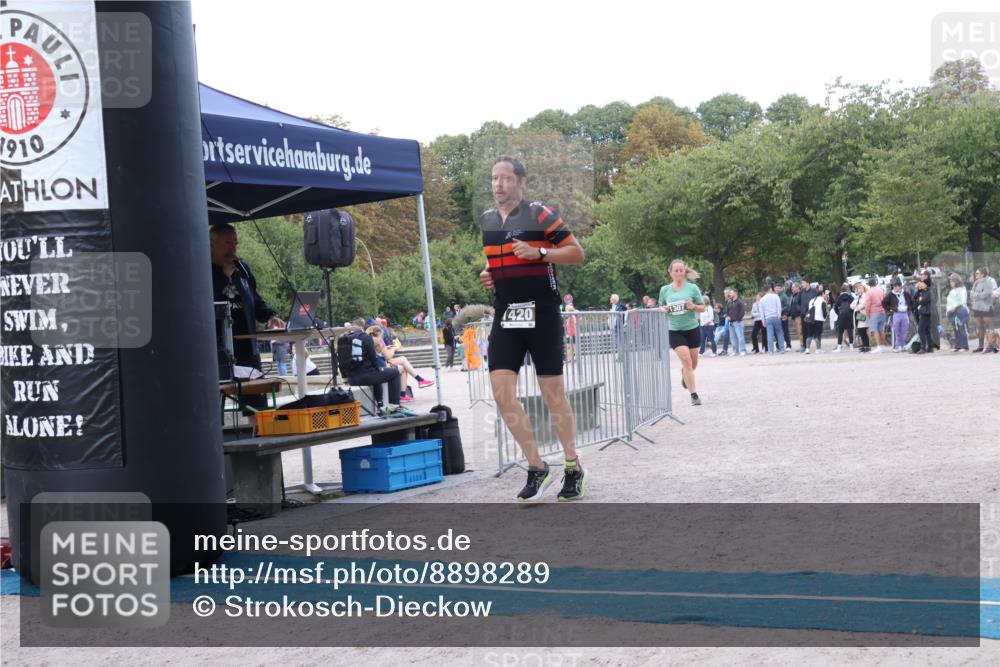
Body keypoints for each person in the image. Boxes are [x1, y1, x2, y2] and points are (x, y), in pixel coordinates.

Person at [478, 156, 587, 502]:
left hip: (542, 313)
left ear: (521, 183)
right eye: (495, 178)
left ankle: (572, 466)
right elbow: (497, 257)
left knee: (553, 394)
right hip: (506, 315)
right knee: (501, 393)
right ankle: (536, 465)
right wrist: (488, 273)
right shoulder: (487, 220)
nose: (499, 185)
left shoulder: (540, 214)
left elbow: (576, 252)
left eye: (506, 179)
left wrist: (540, 252)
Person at [210, 224, 285, 412]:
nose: (233, 248)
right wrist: (224, 279)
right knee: (212, 401)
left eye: (235, 243)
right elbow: (205, 304)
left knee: (257, 402)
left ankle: (259, 435)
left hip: (247, 348)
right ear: (211, 244)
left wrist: (270, 315)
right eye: (227, 243)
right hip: (218, 349)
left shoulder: (242, 269)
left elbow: (255, 300)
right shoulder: (203, 271)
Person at [658, 259, 706, 405]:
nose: (679, 273)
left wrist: (692, 307)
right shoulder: (665, 290)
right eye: (676, 270)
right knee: (686, 360)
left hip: (692, 329)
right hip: (675, 330)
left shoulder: (692, 288)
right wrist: (663, 309)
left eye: (681, 270)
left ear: (684, 272)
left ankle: (685, 375)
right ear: (670, 272)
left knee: (692, 364)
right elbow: (661, 306)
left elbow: (702, 307)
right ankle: (694, 396)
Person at [339, 319, 411, 416]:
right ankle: (395, 406)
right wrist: (379, 368)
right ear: (362, 327)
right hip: (365, 376)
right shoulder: (366, 338)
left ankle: (380, 405)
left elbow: (341, 361)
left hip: (352, 378)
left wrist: (346, 377)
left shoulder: (342, 340)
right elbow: (373, 358)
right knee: (394, 373)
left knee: (377, 376)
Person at [970, 267, 997, 352]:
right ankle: (981, 346)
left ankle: (993, 346)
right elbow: (971, 294)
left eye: (977, 273)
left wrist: (976, 295)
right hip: (977, 307)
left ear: (982, 274)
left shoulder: (988, 282)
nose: (976, 275)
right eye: (976, 273)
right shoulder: (975, 283)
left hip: (986, 307)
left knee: (989, 327)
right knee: (980, 327)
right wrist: (977, 295)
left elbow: (985, 294)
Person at [883, 280, 913, 352]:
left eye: (896, 286)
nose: (895, 288)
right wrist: (888, 309)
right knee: (896, 330)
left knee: (905, 330)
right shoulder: (891, 294)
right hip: (896, 313)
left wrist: (909, 308)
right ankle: (897, 346)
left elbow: (912, 301)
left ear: (900, 287)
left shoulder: (906, 294)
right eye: (894, 287)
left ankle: (902, 345)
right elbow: (884, 303)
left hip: (905, 313)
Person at [945, 273, 969, 352]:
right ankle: (958, 345)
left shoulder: (962, 289)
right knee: (956, 329)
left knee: (961, 328)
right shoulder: (952, 290)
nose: (950, 283)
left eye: (952, 281)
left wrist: (955, 307)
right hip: (952, 312)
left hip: (960, 311)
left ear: (956, 281)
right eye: (950, 281)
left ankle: (964, 346)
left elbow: (962, 301)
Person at [759, 284, 785, 353]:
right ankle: (781, 348)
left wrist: (763, 321)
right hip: (776, 316)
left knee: (770, 334)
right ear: (770, 289)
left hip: (768, 317)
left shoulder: (762, 300)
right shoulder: (775, 296)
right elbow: (779, 306)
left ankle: (771, 350)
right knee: (779, 333)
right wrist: (779, 315)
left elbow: (761, 311)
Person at [914, 271, 935, 354]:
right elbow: (915, 297)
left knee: (921, 330)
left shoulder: (929, 291)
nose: (921, 285)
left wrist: (920, 299)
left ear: (926, 285)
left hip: (927, 312)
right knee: (926, 330)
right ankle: (930, 347)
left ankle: (923, 347)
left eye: (922, 284)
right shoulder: (922, 291)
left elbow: (922, 301)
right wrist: (918, 290)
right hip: (924, 312)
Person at [865, 277, 887, 353]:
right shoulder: (881, 290)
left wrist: (867, 314)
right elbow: (885, 301)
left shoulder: (869, 292)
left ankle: (879, 346)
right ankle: (883, 346)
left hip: (874, 312)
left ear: (869, 284)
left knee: (875, 330)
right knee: (881, 330)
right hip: (882, 311)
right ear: (875, 283)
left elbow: (867, 305)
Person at [796, 280, 817, 352]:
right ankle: (805, 346)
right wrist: (800, 309)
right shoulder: (801, 292)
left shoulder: (814, 291)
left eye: (803, 283)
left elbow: (817, 301)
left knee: (813, 330)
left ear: (808, 283)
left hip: (812, 314)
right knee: (804, 331)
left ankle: (818, 346)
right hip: (803, 314)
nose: (802, 285)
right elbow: (797, 302)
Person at [804, 289, 828, 354]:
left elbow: (808, 309)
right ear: (822, 294)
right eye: (825, 294)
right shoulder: (822, 301)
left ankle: (807, 349)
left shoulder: (811, 300)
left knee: (809, 334)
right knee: (817, 334)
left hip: (810, 319)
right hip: (818, 319)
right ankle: (818, 349)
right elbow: (824, 312)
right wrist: (825, 317)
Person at [832, 283, 855, 352]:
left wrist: (838, 313)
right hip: (849, 316)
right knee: (850, 331)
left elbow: (835, 307)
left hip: (841, 317)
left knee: (840, 332)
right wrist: (851, 313)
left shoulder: (839, 297)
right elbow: (854, 305)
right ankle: (851, 346)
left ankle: (839, 347)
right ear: (848, 289)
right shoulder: (850, 297)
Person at [725, 288, 747, 356]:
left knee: (740, 337)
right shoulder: (729, 302)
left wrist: (738, 319)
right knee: (733, 338)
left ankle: (742, 350)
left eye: (731, 293)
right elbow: (727, 312)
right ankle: (735, 350)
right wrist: (727, 316)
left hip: (738, 322)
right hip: (731, 322)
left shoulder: (739, 302)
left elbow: (742, 312)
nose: (729, 294)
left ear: (735, 293)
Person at [852, 282, 871, 353]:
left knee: (863, 331)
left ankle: (867, 345)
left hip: (864, 315)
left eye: (860, 288)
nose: (858, 290)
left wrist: (857, 308)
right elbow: (852, 305)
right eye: (857, 289)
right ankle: (864, 345)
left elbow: (864, 304)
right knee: (860, 331)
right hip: (858, 316)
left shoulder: (865, 296)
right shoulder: (857, 297)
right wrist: (857, 307)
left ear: (863, 289)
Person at [563, 294, 578, 363]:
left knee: (572, 343)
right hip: (570, 329)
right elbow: (573, 310)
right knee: (569, 343)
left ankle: (572, 357)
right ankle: (569, 357)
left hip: (572, 329)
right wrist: (573, 309)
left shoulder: (572, 316)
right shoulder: (568, 307)